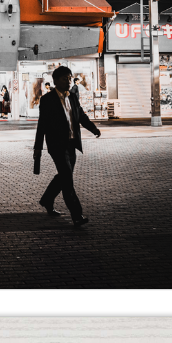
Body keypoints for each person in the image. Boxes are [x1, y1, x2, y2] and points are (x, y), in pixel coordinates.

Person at [33, 66, 101, 228]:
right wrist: (38, 147)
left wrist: (93, 128)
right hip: (57, 145)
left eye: (70, 78)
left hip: (72, 144)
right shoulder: (47, 100)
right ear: (55, 80)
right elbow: (42, 125)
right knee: (67, 179)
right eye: (65, 78)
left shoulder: (72, 97)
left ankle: (47, 200)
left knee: (63, 176)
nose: (69, 81)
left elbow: (81, 116)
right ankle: (76, 215)